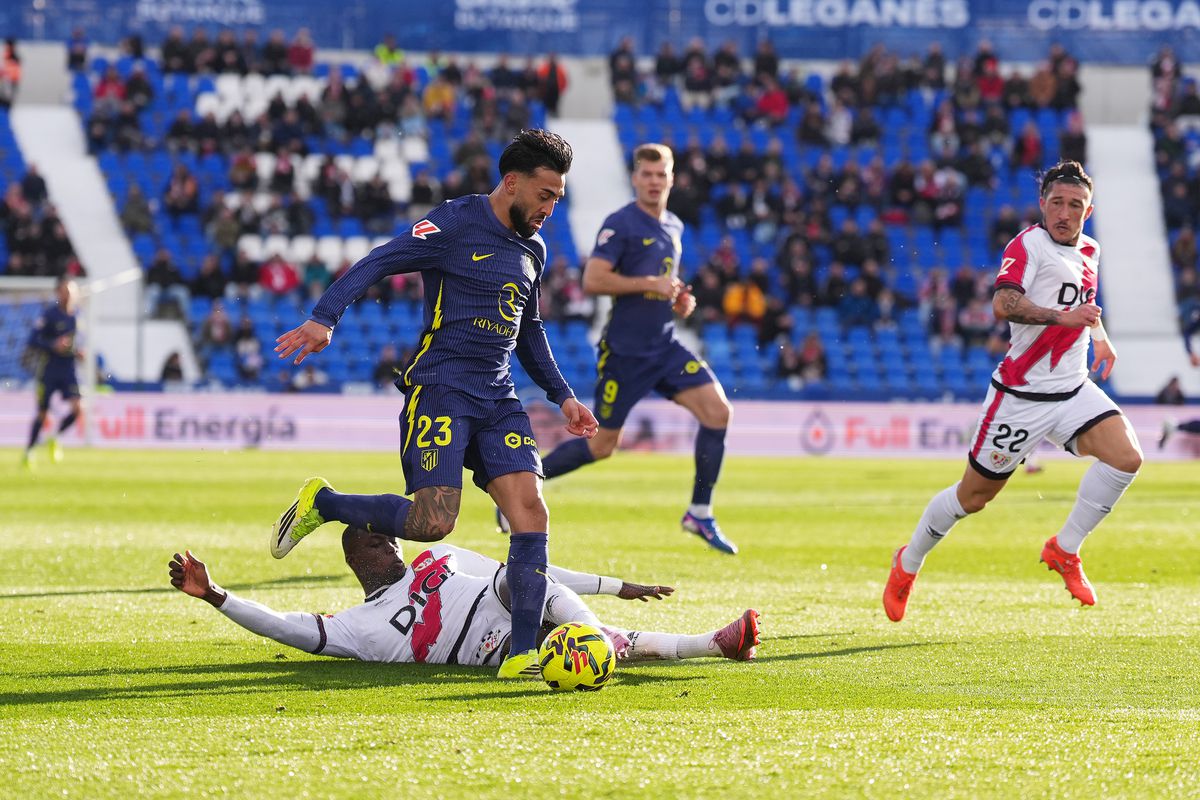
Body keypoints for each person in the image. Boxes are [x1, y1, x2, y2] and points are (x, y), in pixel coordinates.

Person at [271, 130, 598, 680]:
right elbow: (379, 260)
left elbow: (530, 330)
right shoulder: (452, 224)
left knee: (531, 513)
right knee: (431, 523)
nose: (549, 209)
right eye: (544, 195)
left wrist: (563, 395)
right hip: (441, 389)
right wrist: (325, 318)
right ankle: (324, 503)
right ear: (512, 183)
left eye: (558, 199)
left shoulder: (533, 250)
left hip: (499, 397)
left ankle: (521, 653)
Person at [883, 161, 1143, 620]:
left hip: (1071, 389)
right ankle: (908, 563)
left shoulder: (1090, 250)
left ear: (1089, 210)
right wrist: (1062, 318)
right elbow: (1004, 302)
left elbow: (1083, 302)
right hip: (1020, 398)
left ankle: (1065, 549)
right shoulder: (1028, 246)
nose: (1065, 213)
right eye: (1057, 203)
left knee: (1127, 457)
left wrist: (1100, 338)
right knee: (973, 498)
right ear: (1042, 204)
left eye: (1075, 206)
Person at [531, 143, 737, 554]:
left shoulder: (675, 226)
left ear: (672, 178)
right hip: (625, 353)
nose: (654, 182)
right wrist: (650, 286)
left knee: (718, 412)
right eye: (647, 174)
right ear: (635, 178)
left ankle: (699, 511)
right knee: (602, 446)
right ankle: (526, 479)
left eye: (662, 175)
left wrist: (676, 300)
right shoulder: (621, 223)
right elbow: (593, 279)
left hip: (663, 344)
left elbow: (661, 284)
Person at [169, 526, 760, 669]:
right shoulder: (359, 625)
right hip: (488, 646)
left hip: (517, 600)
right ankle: (713, 642)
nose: (397, 542)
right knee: (565, 651)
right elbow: (290, 629)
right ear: (359, 558)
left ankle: (592, 631)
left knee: (520, 576)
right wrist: (217, 596)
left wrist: (615, 585)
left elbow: (533, 568)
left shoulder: (437, 557)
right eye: (381, 540)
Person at [22, 278, 82, 468]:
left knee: (78, 409)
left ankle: (55, 437)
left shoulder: (74, 318)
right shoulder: (49, 315)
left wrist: (77, 352)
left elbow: (69, 344)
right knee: (42, 413)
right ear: (59, 293)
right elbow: (33, 340)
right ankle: (29, 451)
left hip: (68, 370)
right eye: (66, 291)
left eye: (72, 291)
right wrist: (52, 345)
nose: (69, 295)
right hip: (49, 369)